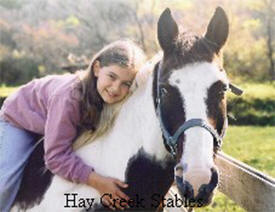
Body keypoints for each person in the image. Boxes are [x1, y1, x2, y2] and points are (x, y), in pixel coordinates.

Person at [0, 39, 146, 211]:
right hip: (20, 119)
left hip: (52, 119)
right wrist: (97, 181)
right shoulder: (70, 97)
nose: (116, 88)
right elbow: (55, 157)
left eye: (126, 84)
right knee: (5, 184)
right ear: (97, 68)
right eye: (112, 77)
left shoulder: (112, 98)